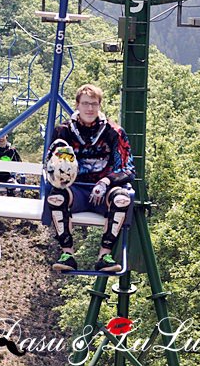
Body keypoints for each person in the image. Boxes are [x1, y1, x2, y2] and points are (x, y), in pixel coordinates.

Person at [46, 84, 135, 273]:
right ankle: (67, 253)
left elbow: (127, 168)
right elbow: (50, 163)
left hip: (104, 190)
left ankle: (105, 255)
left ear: (99, 106)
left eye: (94, 104)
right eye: (85, 104)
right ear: (77, 105)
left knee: (121, 199)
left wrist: (106, 181)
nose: (90, 109)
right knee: (56, 197)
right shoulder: (63, 132)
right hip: (75, 189)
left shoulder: (114, 132)